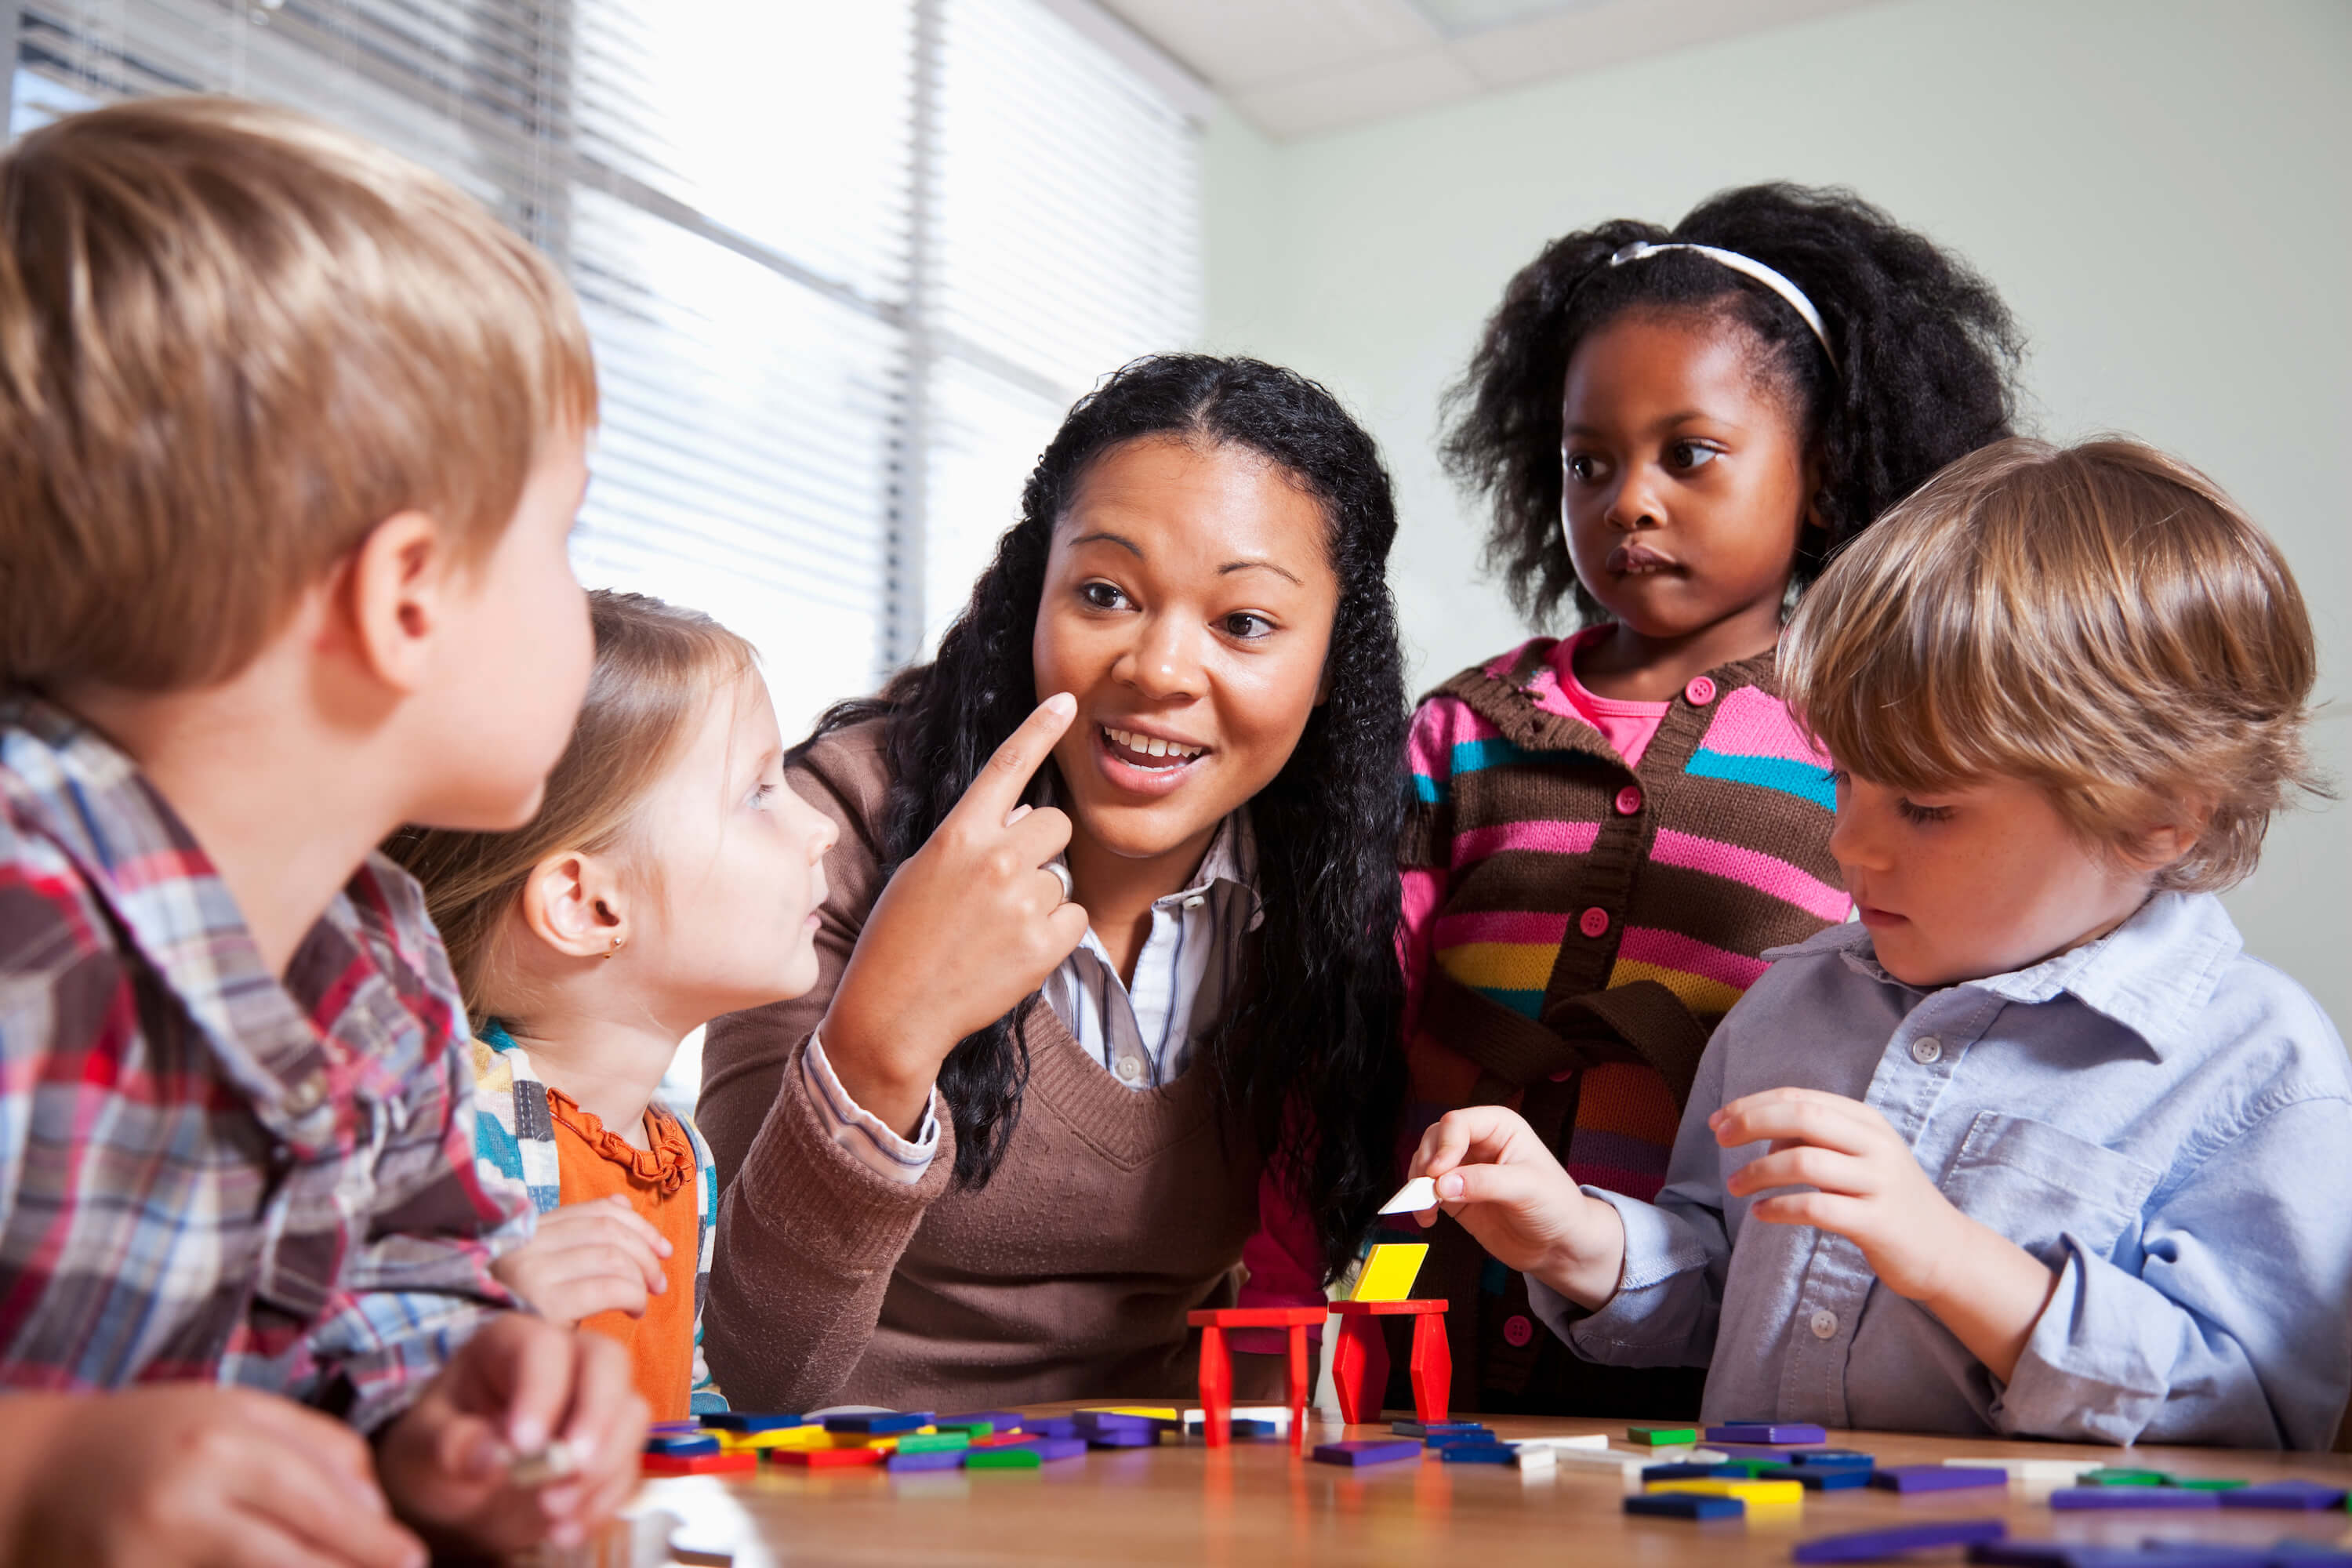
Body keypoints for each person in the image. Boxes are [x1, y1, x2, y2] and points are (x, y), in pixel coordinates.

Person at [1409, 437, 2349, 1448]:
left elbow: (2257, 1416)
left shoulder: (2260, 1069)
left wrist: (1947, 1255)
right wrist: (1581, 1238)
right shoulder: (1795, 1006)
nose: (1850, 842)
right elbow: (1724, 1285)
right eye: (1847, 781)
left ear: (2163, 815)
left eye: (1929, 809)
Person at [0, 97, 644, 1563]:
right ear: (407, 595)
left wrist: (454, 1405)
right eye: (564, 537)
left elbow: (398, 1276)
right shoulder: (22, 917)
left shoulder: (382, 961)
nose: (580, 599)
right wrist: (31, 1477)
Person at [1399, 182, 2023, 1415]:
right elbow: (1360, 1004)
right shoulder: (1461, 728)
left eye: (1691, 455)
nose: (1630, 499)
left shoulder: (1874, 739)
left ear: (1826, 473)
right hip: (1421, 1322)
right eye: (1590, 462)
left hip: (1709, 1344)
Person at [696, 354, 1410, 1410]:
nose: (1161, 669)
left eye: (1244, 623)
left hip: (1160, 1502)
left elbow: (1327, 1278)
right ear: (1033, 596)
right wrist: (886, 1037)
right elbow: (764, 1366)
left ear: (1331, 664)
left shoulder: (1325, 883)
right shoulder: (832, 832)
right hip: (852, 1500)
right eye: (1105, 595)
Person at [387, 590, 838, 1423]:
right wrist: (488, 1319)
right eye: (759, 793)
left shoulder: (678, 1155)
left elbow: (677, 1399)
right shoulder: (451, 1131)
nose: (822, 828)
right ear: (590, 906)